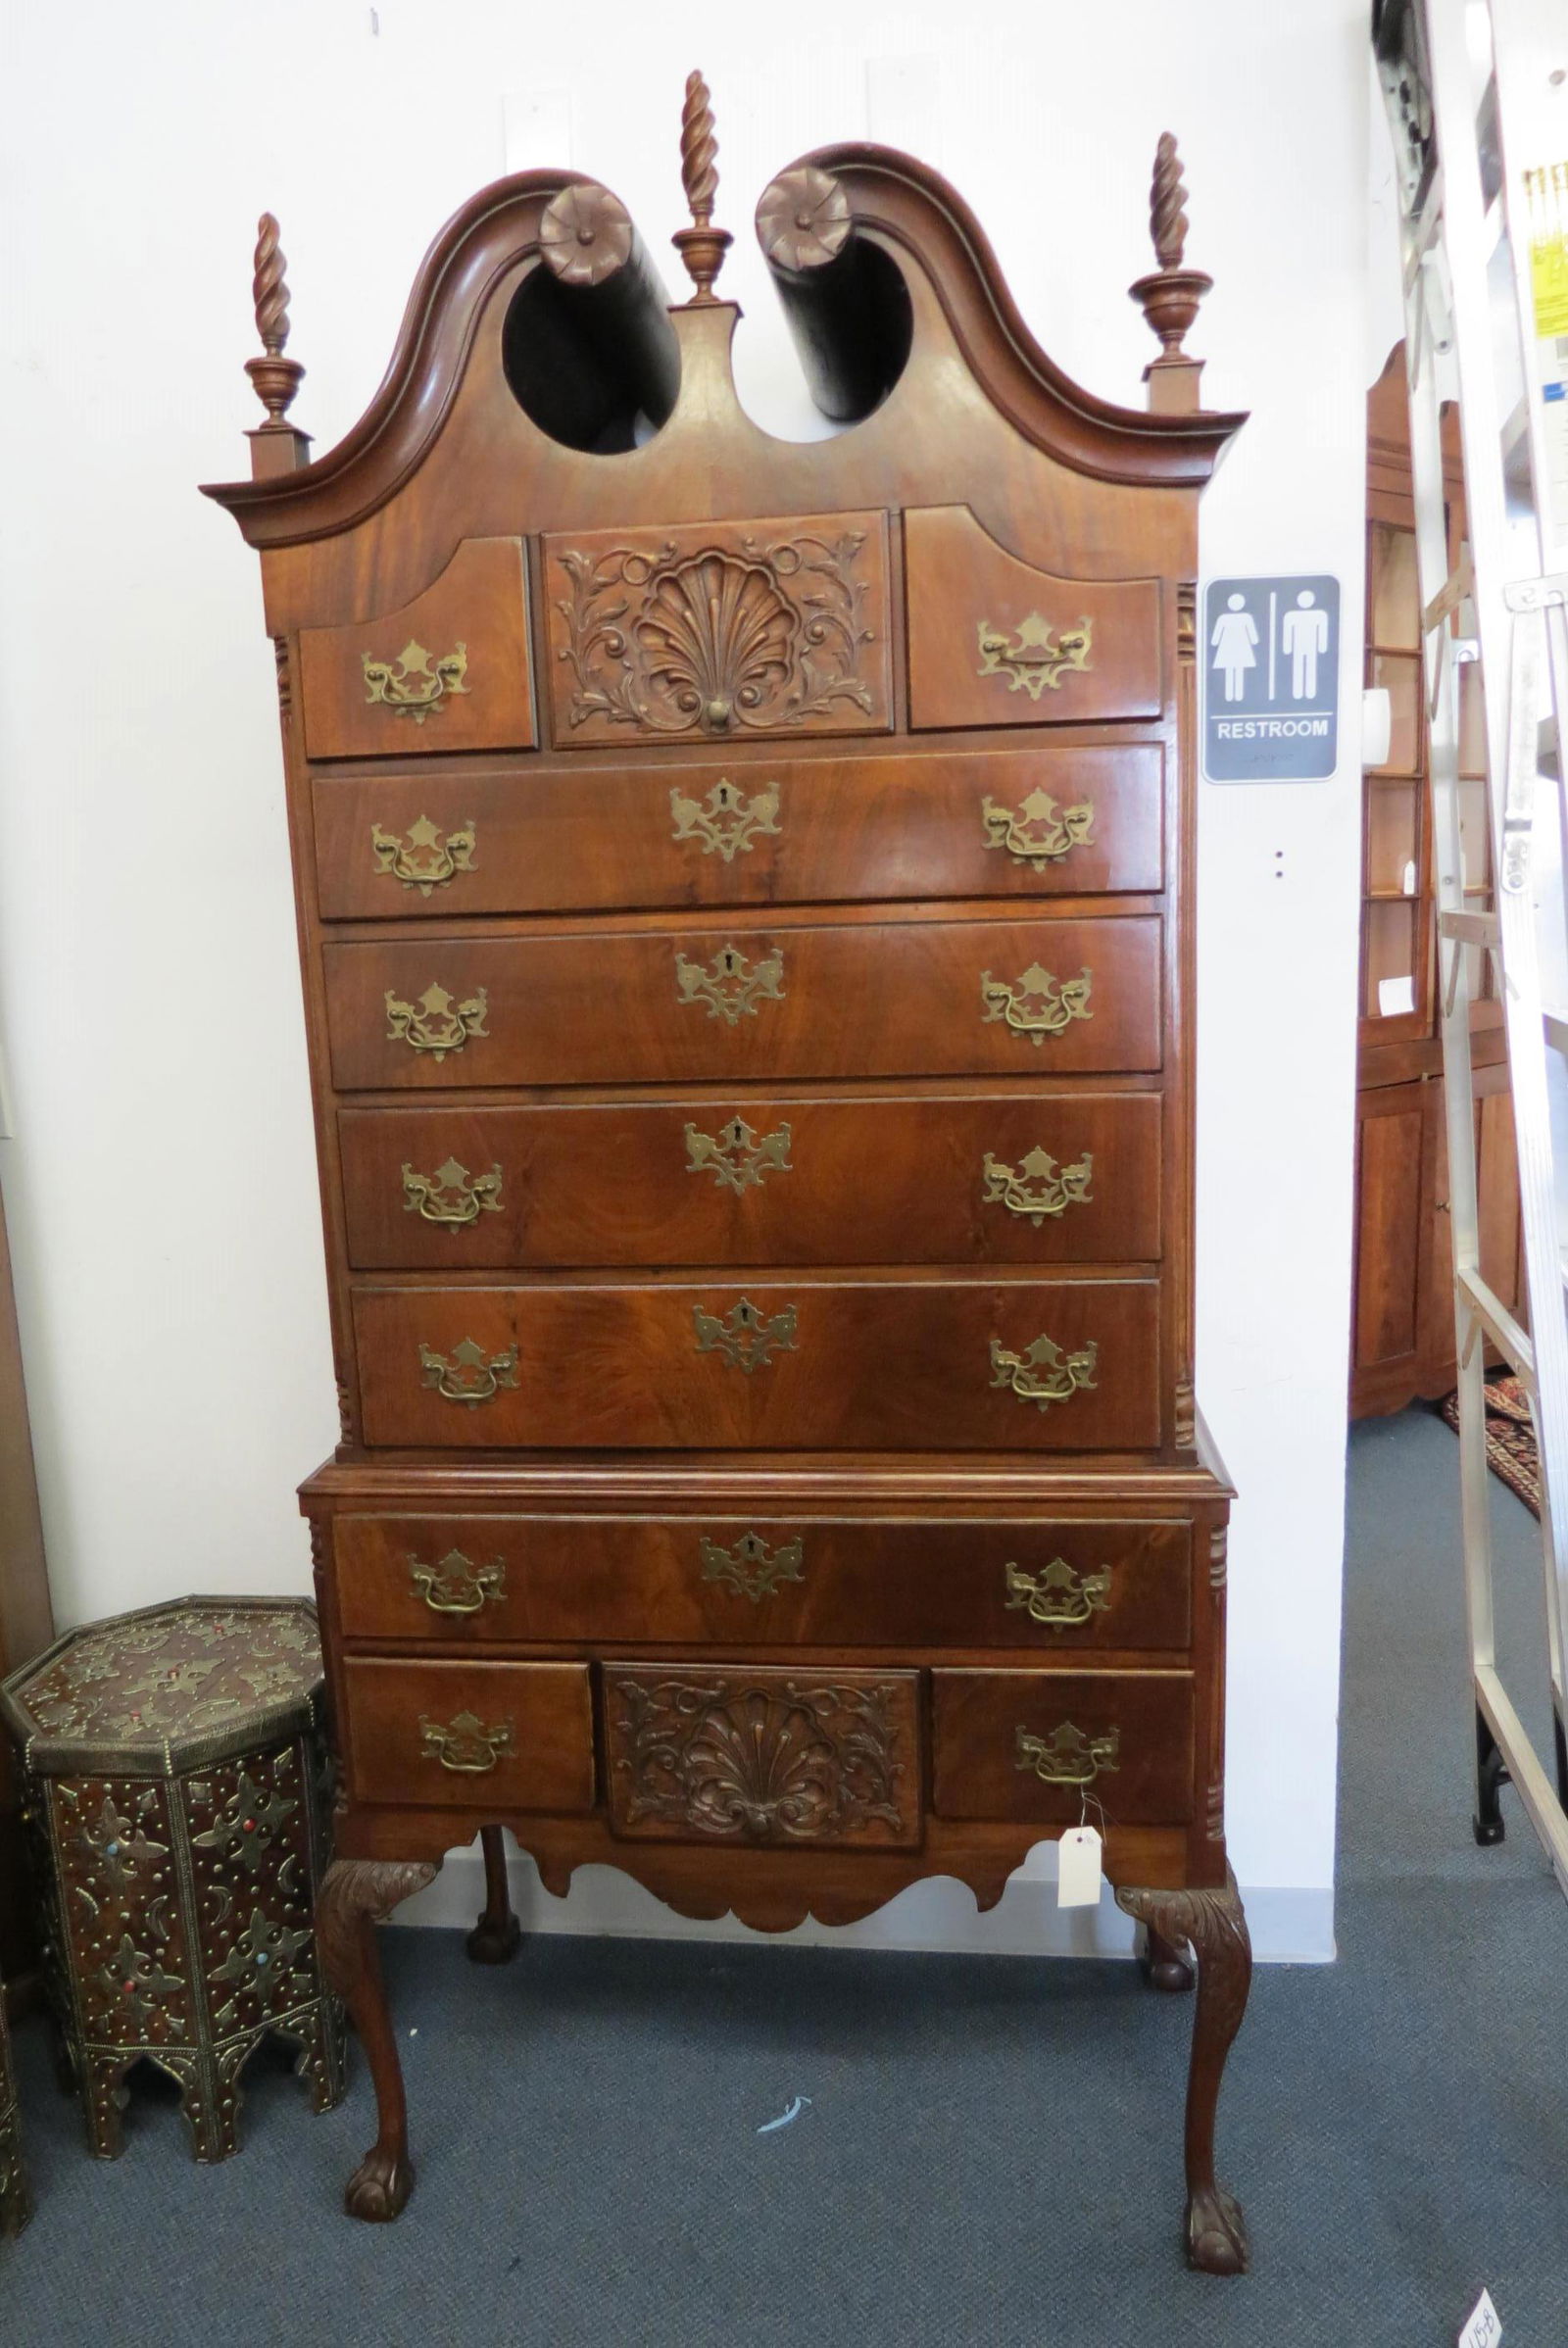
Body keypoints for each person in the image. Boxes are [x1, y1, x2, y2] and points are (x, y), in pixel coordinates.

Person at [1281, 588, 1329, 700]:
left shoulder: (1320, 615)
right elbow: (1288, 632)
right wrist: (1287, 647)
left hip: (1311, 646)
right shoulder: (1291, 615)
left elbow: (1322, 631)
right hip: (1298, 646)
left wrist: (1322, 647)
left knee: (1310, 667)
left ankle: (1310, 693)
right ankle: (1297, 693)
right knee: (1298, 667)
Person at [1210, 592, 1257, 703]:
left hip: (1234, 647)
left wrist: (1215, 642)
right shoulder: (1243, 617)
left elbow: (1216, 637)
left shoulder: (1243, 617)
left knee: (1235, 670)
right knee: (1233, 670)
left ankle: (1234, 696)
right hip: (1235, 647)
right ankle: (1233, 696)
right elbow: (1253, 636)